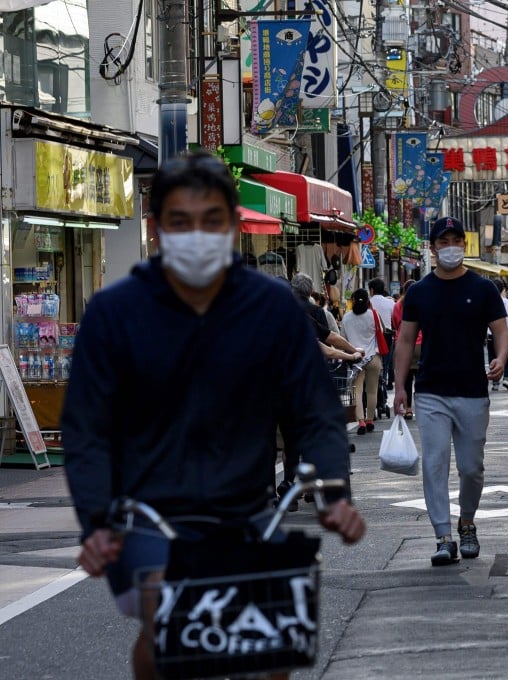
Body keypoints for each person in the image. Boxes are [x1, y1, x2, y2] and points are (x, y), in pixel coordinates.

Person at [61, 151, 365, 679]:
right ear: (155, 230)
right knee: (166, 621)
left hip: (245, 507)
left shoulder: (271, 308)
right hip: (146, 514)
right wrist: (96, 520)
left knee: (275, 641)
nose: (196, 235)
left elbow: (313, 408)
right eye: (180, 223)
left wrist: (333, 490)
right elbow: (87, 426)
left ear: (233, 228)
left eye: (212, 221)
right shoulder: (116, 312)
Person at [393, 216, 508, 566]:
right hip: (430, 391)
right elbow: (403, 340)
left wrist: (502, 358)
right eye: (443, 242)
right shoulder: (419, 292)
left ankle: (468, 522)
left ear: (464, 245)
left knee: (472, 468)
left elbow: (501, 331)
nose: (450, 248)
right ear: (432, 248)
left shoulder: (484, 288)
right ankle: (443, 535)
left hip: (473, 390)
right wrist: (399, 386)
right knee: (434, 464)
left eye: (456, 241)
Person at [342, 288, 385, 435]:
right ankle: (370, 420)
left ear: (352, 300)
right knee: (372, 391)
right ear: (368, 301)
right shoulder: (373, 315)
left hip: (355, 359)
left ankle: (360, 421)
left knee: (357, 392)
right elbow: (382, 332)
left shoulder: (346, 318)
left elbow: (343, 338)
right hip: (373, 357)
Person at [392, 279, 421, 420]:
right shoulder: (422, 302)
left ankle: (408, 408)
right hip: (421, 344)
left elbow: (395, 323)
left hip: (403, 344)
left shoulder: (398, 305)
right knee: (421, 378)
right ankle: (421, 408)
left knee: (407, 379)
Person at [368, 278, 396, 388]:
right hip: (387, 337)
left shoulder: (368, 303)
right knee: (385, 363)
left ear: (371, 290)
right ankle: (383, 388)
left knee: (373, 365)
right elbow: (394, 320)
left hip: (372, 337)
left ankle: (374, 386)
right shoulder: (390, 303)